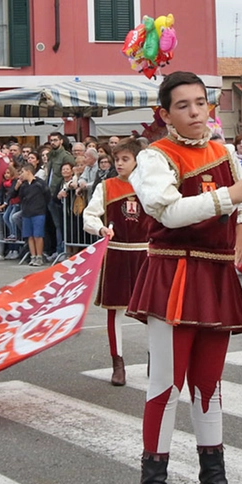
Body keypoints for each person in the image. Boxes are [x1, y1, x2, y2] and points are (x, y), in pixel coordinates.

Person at [127, 70, 242, 484]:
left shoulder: (225, 151)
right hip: (173, 273)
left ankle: (214, 483)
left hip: (214, 272)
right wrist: (230, 198)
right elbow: (166, 211)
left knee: (210, 383)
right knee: (165, 385)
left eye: (201, 103)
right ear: (165, 114)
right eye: (183, 105)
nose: (194, 112)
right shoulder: (153, 157)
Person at [82, 140, 156, 387]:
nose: (120, 164)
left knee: (152, 311)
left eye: (125, 159)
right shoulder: (106, 186)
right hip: (116, 252)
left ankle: (154, 358)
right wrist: (100, 227)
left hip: (146, 254)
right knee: (114, 310)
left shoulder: (150, 186)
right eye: (117, 160)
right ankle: (118, 363)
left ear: (137, 160)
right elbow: (89, 215)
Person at [11, 162, 50, 266]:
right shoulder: (23, 185)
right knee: (30, 236)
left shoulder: (40, 183)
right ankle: (33, 256)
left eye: (22, 172)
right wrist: (16, 187)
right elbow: (14, 196)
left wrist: (41, 206)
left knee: (38, 235)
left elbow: (47, 195)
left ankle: (39, 256)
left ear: (28, 172)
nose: (21, 175)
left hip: (38, 212)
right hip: (26, 212)